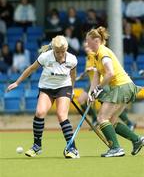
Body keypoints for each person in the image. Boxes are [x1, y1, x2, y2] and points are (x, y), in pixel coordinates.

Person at [7, 35, 80, 159]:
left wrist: (71, 90)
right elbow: (31, 69)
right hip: (46, 88)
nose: (61, 55)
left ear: (66, 49)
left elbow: (73, 75)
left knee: (62, 115)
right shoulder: (45, 57)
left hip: (64, 87)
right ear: (53, 50)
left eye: (63, 52)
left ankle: (72, 148)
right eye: (58, 52)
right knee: (40, 112)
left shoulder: (72, 59)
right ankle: (37, 146)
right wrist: (17, 82)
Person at [86, 26, 144, 157]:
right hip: (124, 87)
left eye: (88, 41)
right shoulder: (96, 55)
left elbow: (110, 73)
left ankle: (116, 149)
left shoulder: (103, 53)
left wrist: (99, 89)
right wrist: (91, 92)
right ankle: (137, 140)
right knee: (111, 120)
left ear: (96, 40)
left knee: (101, 118)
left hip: (121, 87)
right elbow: (96, 76)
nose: (86, 44)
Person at [77, 42, 136, 130]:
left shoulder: (95, 54)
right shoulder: (88, 57)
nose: (86, 49)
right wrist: (83, 74)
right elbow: (90, 70)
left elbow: (100, 69)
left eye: (88, 47)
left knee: (110, 107)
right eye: (85, 47)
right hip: (91, 83)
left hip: (100, 83)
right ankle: (95, 120)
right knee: (81, 100)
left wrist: (92, 69)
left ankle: (128, 123)